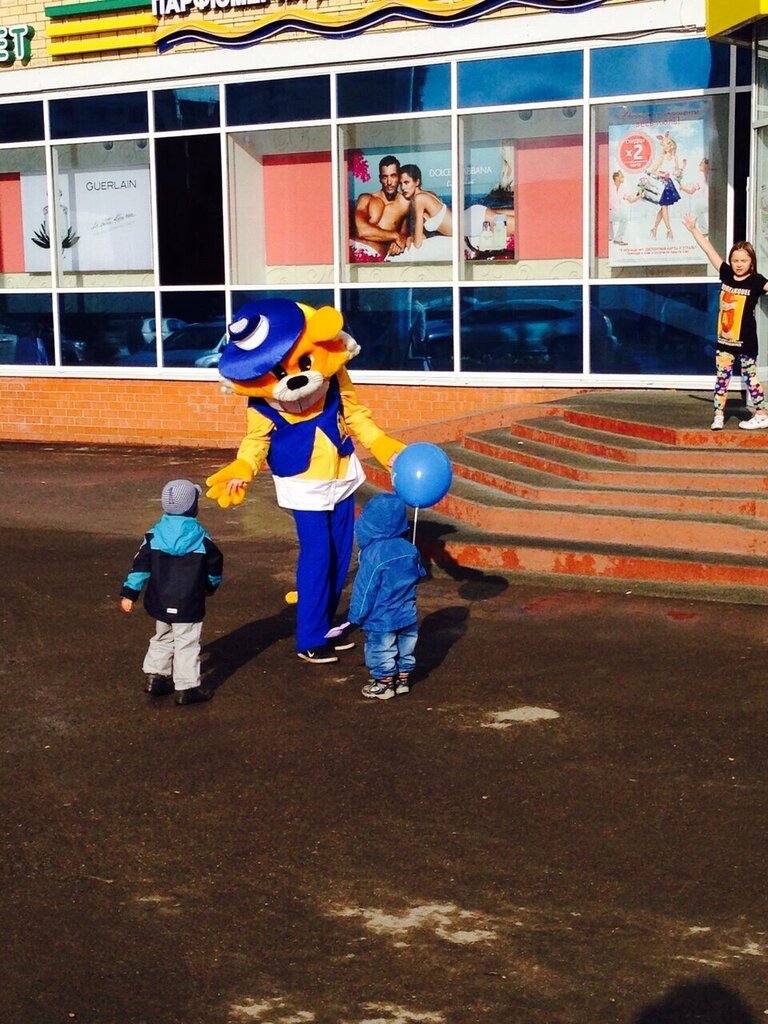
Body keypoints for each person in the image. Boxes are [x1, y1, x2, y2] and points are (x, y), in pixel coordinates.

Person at [120, 478, 224, 704]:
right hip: (189, 601)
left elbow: (140, 565)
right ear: (193, 507)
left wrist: (129, 592)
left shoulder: (154, 535)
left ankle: (155, 677)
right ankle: (187, 687)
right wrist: (210, 587)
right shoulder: (202, 539)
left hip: (160, 599)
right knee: (187, 642)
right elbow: (214, 568)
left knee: (163, 636)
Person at [683, 213, 768, 431]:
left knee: (750, 377)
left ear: (751, 262)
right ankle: (718, 415)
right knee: (722, 379)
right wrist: (694, 229)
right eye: (735, 260)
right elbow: (709, 250)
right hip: (724, 341)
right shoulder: (727, 274)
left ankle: (761, 414)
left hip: (746, 341)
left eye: (743, 261)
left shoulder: (757, 281)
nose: (739, 265)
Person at [349, 493, 427, 700]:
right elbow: (419, 573)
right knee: (406, 647)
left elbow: (365, 589)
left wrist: (356, 615)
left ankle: (384, 684)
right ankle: (402, 679)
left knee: (381, 649)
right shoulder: (409, 548)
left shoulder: (373, 554)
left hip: (381, 616)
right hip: (407, 613)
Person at [351, 155, 410, 261]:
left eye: (393, 176)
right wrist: (395, 236)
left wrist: (401, 240)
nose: (389, 182)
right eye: (385, 177)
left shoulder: (405, 205)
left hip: (373, 258)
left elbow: (406, 235)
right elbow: (362, 231)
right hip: (353, 252)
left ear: (399, 177)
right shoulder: (366, 199)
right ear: (380, 179)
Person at [398, 163, 453, 249]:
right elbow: (422, 235)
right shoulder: (426, 194)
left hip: (469, 226)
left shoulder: (419, 199)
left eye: (406, 182)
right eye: (400, 184)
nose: (403, 187)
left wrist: (412, 239)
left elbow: (417, 244)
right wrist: (411, 237)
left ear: (417, 182)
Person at [649, 132, 686, 241]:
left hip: (669, 183)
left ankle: (654, 228)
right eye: (667, 144)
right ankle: (669, 230)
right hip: (662, 183)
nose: (669, 146)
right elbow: (652, 170)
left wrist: (683, 166)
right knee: (664, 207)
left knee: (663, 208)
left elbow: (677, 171)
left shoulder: (675, 157)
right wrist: (662, 174)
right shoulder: (662, 157)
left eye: (670, 143)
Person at [608, 170, 641, 246]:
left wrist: (639, 196)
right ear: (617, 177)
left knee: (624, 218)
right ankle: (612, 237)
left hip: (614, 212)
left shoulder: (623, 189)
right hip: (606, 212)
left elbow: (631, 200)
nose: (623, 177)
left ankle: (614, 238)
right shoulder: (609, 187)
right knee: (613, 219)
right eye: (622, 176)